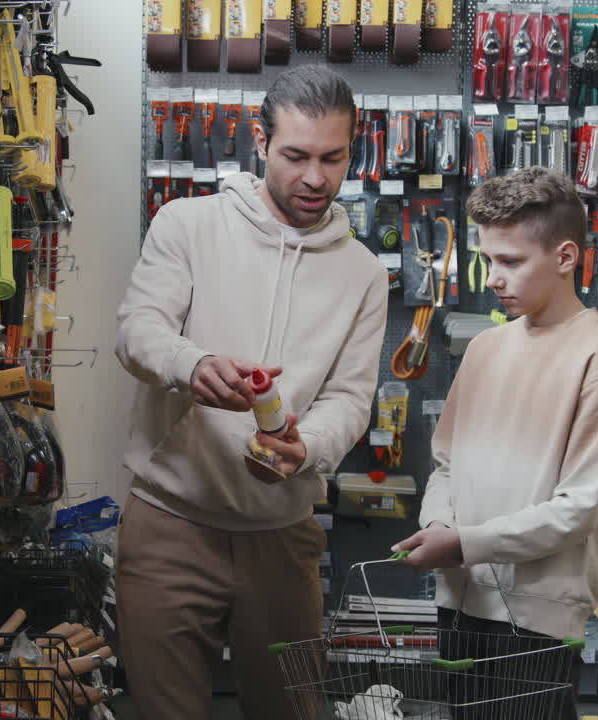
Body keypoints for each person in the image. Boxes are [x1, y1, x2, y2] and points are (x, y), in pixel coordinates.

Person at [113, 64, 388, 720]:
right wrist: (192, 362)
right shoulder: (186, 225)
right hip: (170, 525)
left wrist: (308, 446)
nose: (316, 178)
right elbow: (137, 331)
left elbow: (350, 399)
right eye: (296, 156)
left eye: (333, 158)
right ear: (259, 142)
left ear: (354, 150)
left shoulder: (364, 274)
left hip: (283, 536)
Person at [393, 167, 598, 719]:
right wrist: (438, 526)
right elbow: (445, 465)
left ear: (564, 257)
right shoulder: (484, 349)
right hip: (459, 602)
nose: (492, 278)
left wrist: (462, 543)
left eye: (510, 261)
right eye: (488, 260)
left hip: (536, 621)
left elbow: (576, 511)